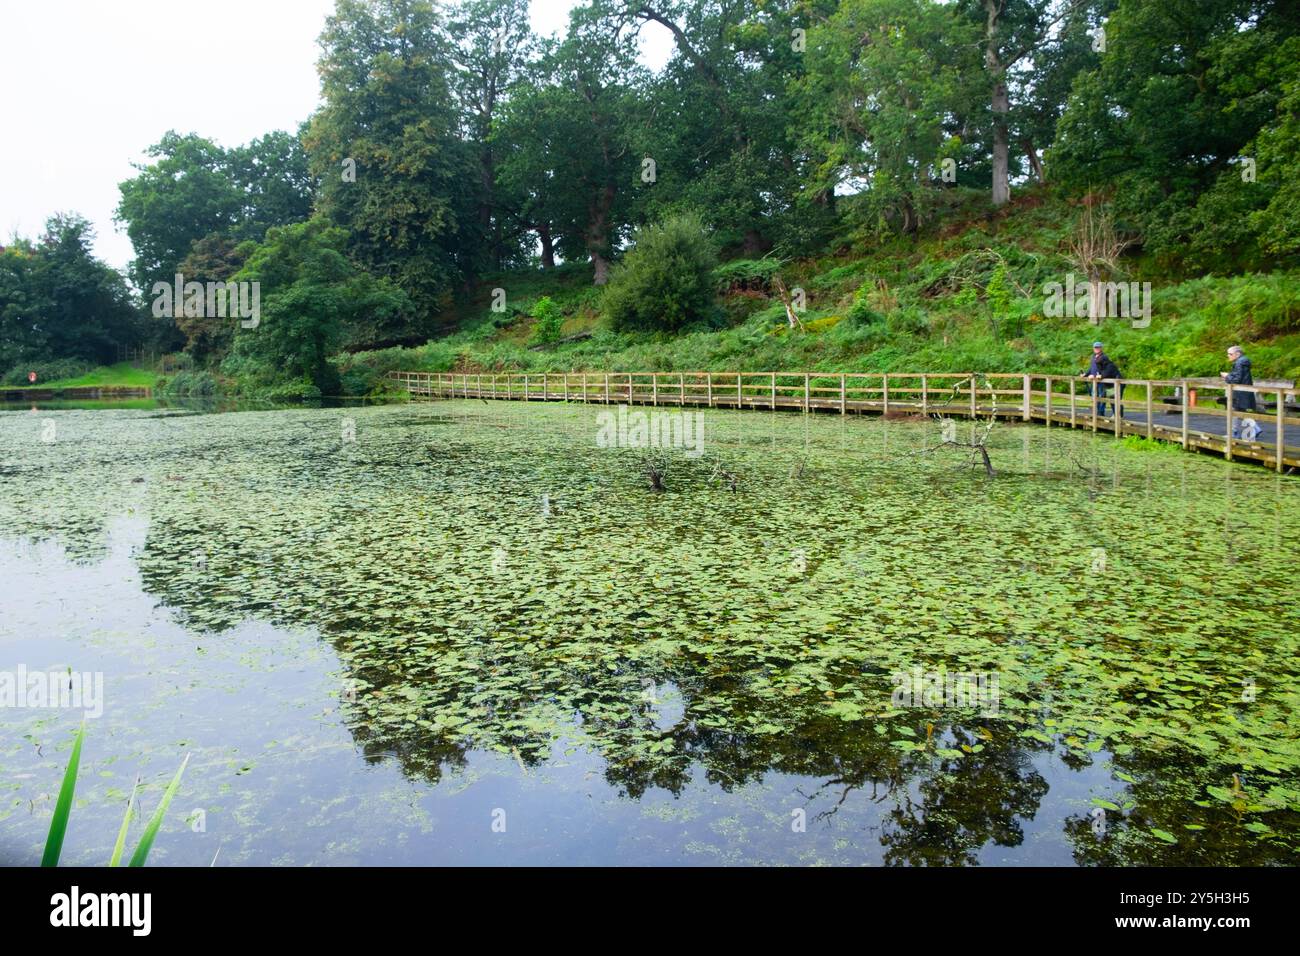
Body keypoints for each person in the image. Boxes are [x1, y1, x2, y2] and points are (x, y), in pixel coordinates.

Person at [1220, 345, 1255, 436]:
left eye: (1230, 354)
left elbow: (1237, 379)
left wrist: (1226, 376)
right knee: (1239, 411)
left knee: (1233, 410)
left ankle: (1234, 433)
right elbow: (1238, 376)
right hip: (1243, 391)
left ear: (1237, 354)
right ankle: (1254, 429)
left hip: (1240, 392)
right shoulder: (1242, 362)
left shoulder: (1239, 363)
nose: (1228, 355)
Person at [1083, 341, 1122, 417]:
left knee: (1103, 396)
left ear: (1101, 348)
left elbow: (1107, 369)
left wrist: (1101, 375)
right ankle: (1097, 412)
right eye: (1095, 347)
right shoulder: (1093, 357)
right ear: (1093, 348)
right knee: (1094, 396)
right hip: (1094, 380)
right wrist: (1086, 374)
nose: (1097, 348)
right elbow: (1091, 368)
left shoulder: (1104, 357)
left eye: (1098, 347)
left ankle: (1102, 413)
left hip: (1103, 381)